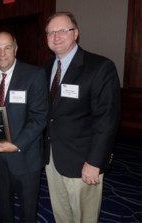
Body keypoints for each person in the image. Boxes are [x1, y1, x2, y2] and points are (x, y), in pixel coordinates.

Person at [43, 12, 121, 223]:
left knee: (84, 218)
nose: (56, 36)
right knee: (62, 215)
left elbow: (107, 119)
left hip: (83, 161)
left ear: (76, 33)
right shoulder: (46, 69)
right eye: (51, 32)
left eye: (63, 30)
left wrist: (95, 161)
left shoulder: (100, 67)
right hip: (52, 158)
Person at [0, 31, 48, 222]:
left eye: (7, 47)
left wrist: (17, 144)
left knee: (28, 211)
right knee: (3, 208)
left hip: (25, 156)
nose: (2, 53)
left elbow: (39, 117)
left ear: (16, 49)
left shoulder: (34, 75)